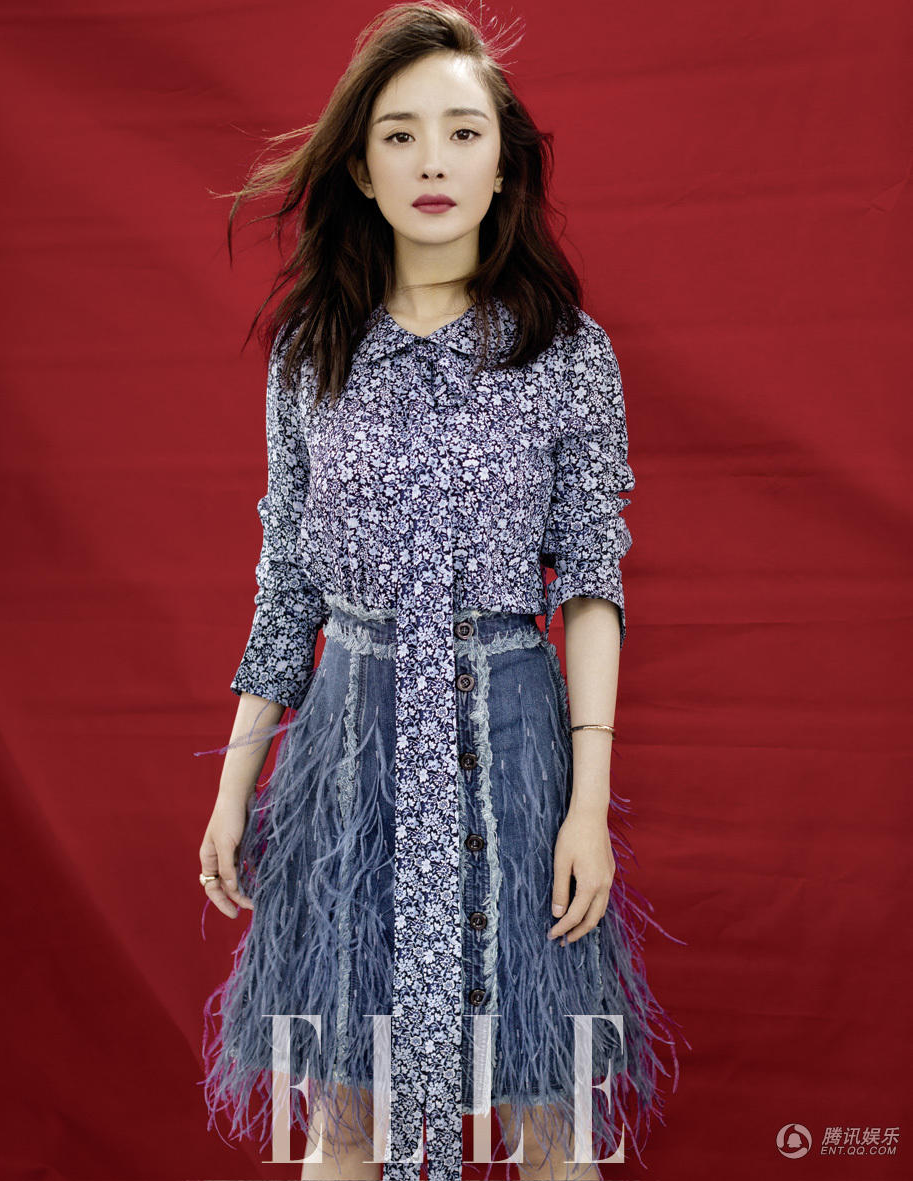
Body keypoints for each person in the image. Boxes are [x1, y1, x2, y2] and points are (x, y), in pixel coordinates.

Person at [196, 4, 686, 1179]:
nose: (433, 161)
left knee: (550, 1111)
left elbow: (592, 580)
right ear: (362, 169)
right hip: (347, 767)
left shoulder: (567, 354)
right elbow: (288, 580)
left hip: (512, 751)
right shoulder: (311, 354)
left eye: (463, 133)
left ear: (502, 164)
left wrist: (587, 803)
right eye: (400, 135)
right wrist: (233, 786)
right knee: (344, 1116)